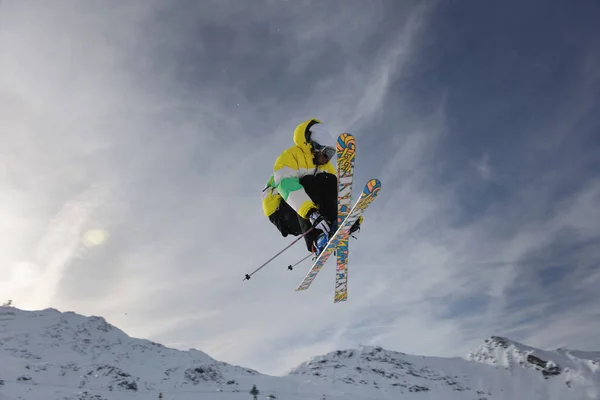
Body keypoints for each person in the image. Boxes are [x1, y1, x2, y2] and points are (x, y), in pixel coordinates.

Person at [262, 118, 361, 255]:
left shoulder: (325, 167)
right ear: (315, 147)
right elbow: (287, 186)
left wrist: (351, 217)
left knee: (330, 180)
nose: (327, 158)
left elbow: (340, 191)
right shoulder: (290, 156)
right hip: (282, 212)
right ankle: (316, 239)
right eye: (326, 152)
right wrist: (311, 213)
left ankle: (334, 225)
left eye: (331, 154)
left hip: (310, 212)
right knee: (309, 181)